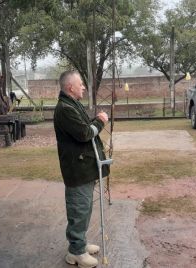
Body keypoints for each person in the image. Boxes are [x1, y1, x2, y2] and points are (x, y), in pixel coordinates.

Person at [53, 70, 110, 267]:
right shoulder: (65, 108)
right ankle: (75, 252)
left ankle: (81, 244)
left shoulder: (71, 104)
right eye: (81, 84)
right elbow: (85, 133)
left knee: (84, 208)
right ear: (71, 87)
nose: (84, 87)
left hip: (83, 166)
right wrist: (100, 121)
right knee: (78, 209)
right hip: (77, 169)